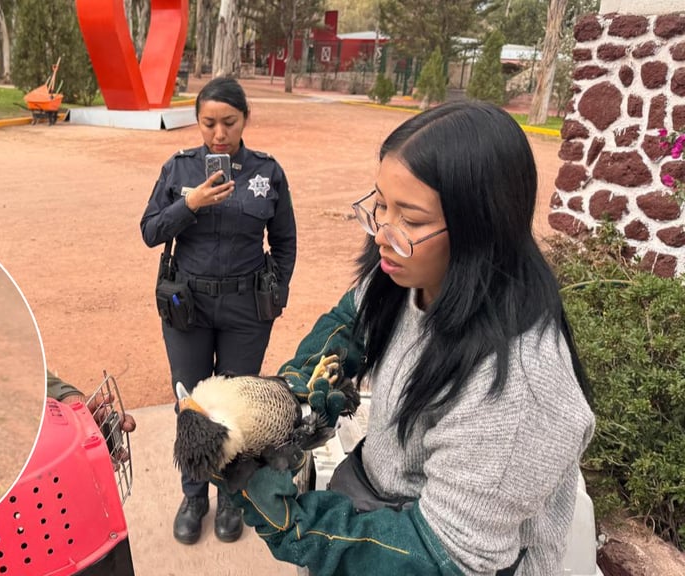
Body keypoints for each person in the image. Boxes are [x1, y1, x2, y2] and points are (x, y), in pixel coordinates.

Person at [218, 101, 596, 575]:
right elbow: (350, 320)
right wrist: (292, 394)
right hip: (374, 499)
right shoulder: (412, 270)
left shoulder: (520, 392)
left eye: (410, 220)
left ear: (481, 227)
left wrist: (299, 526)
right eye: (380, 205)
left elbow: (441, 558)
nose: (381, 234)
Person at [140, 76, 297, 545]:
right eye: (208, 123)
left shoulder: (267, 173)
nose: (219, 134)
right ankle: (193, 496)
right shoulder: (179, 169)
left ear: (245, 119)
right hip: (188, 305)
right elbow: (150, 231)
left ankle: (231, 497)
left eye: (229, 122)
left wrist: (277, 291)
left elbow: (284, 242)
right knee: (191, 404)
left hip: (247, 310)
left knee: (240, 410)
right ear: (198, 122)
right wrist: (189, 204)